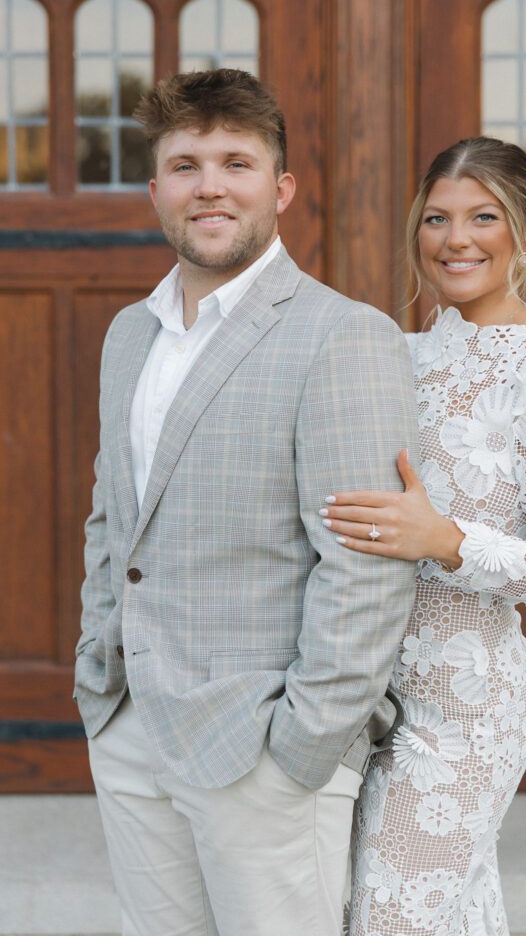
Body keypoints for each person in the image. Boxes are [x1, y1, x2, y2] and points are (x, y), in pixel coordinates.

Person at [73, 67, 419, 936]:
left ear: (281, 188)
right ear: (155, 190)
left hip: (263, 750)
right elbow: (112, 518)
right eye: (186, 164)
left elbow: (366, 561)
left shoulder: (342, 335)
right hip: (130, 724)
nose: (210, 185)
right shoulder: (129, 335)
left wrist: (303, 747)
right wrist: (96, 680)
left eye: (236, 161)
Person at [321, 137, 526, 935]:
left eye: (483, 217)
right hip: (358, 701)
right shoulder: (391, 353)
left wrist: (441, 538)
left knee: (388, 924)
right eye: (437, 218)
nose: (456, 239)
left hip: (465, 715)